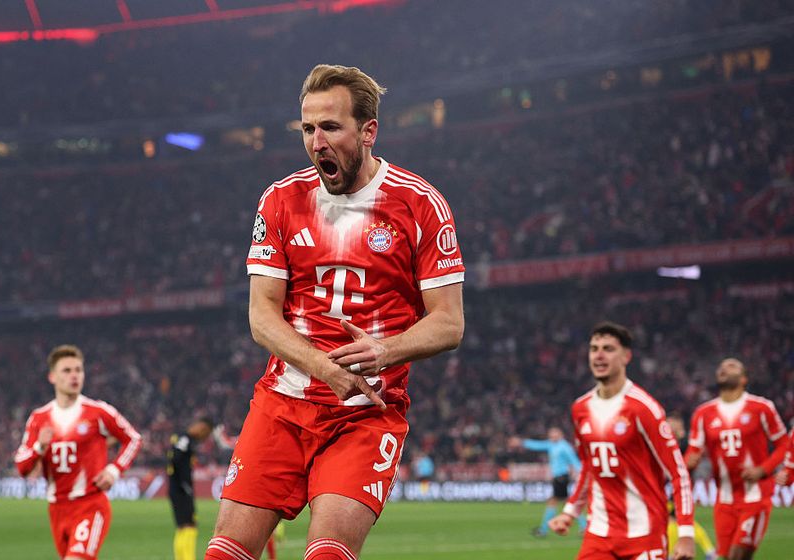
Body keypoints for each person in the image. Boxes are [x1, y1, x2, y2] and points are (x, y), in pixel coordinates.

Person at [204, 63, 464, 560]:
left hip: (365, 415)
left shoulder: (420, 205)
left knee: (326, 553)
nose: (316, 141)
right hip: (281, 406)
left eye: (330, 127)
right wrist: (326, 369)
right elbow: (261, 316)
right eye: (307, 128)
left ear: (368, 131)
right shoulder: (280, 201)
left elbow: (449, 322)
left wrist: (384, 351)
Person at [548, 321, 695, 560]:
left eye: (608, 348)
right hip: (599, 533)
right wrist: (570, 512)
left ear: (626, 356)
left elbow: (678, 473)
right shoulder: (581, 408)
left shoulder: (643, 408)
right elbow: (589, 467)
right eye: (594, 348)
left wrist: (686, 533)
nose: (599, 355)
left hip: (644, 533)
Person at [15, 344, 142, 560]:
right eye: (67, 371)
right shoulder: (39, 418)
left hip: (90, 504)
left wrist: (114, 470)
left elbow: (133, 438)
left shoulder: (98, 412)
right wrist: (39, 448)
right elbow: (22, 467)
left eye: (79, 370)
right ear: (52, 377)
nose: (75, 376)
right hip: (57, 509)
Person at [684, 358, 788, 560]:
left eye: (732, 366)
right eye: (722, 366)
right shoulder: (703, 413)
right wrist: (688, 462)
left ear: (743, 379)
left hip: (755, 496)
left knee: (737, 556)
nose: (724, 367)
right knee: (727, 556)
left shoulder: (762, 408)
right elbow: (693, 451)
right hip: (723, 500)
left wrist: (763, 469)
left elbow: (784, 445)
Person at [509, 427, 585, 537]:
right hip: (558, 478)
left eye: (554, 434)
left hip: (562, 478)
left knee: (555, 503)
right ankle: (583, 527)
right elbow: (538, 445)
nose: (552, 436)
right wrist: (521, 442)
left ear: (560, 435)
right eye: (551, 435)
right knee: (567, 504)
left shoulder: (564, 447)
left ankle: (543, 530)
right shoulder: (551, 445)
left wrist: (582, 473)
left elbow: (574, 461)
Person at [665, 413, 717, 560]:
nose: (667, 425)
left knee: (674, 520)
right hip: (670, 487)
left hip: (679, 488)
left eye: (671, 422)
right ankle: (708, 550)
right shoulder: (667, 442)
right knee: (673, 520)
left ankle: (671, 552)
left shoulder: (684, 444)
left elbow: (690, 462)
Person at [169, 417, 216, 560]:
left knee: (182, 527)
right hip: (182, 490)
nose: (204, 438)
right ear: (201, 427)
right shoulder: (186, 439)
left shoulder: (180, 437)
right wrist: (184, 483)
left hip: (175, 489)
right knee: (190, 526)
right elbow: (176, 457)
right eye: (205, 433)